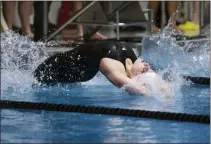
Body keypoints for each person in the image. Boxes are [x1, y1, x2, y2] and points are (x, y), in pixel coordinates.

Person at [33, 41, 169, 96]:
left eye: (146, 69)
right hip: (55, 68)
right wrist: (154, 97)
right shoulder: (110, 64)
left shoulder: (132, 58)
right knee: (35, 83)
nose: (147, 67)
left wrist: (166, 92)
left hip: (70, 64)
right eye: (146, 68)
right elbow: (133, 88)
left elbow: (160, 81)